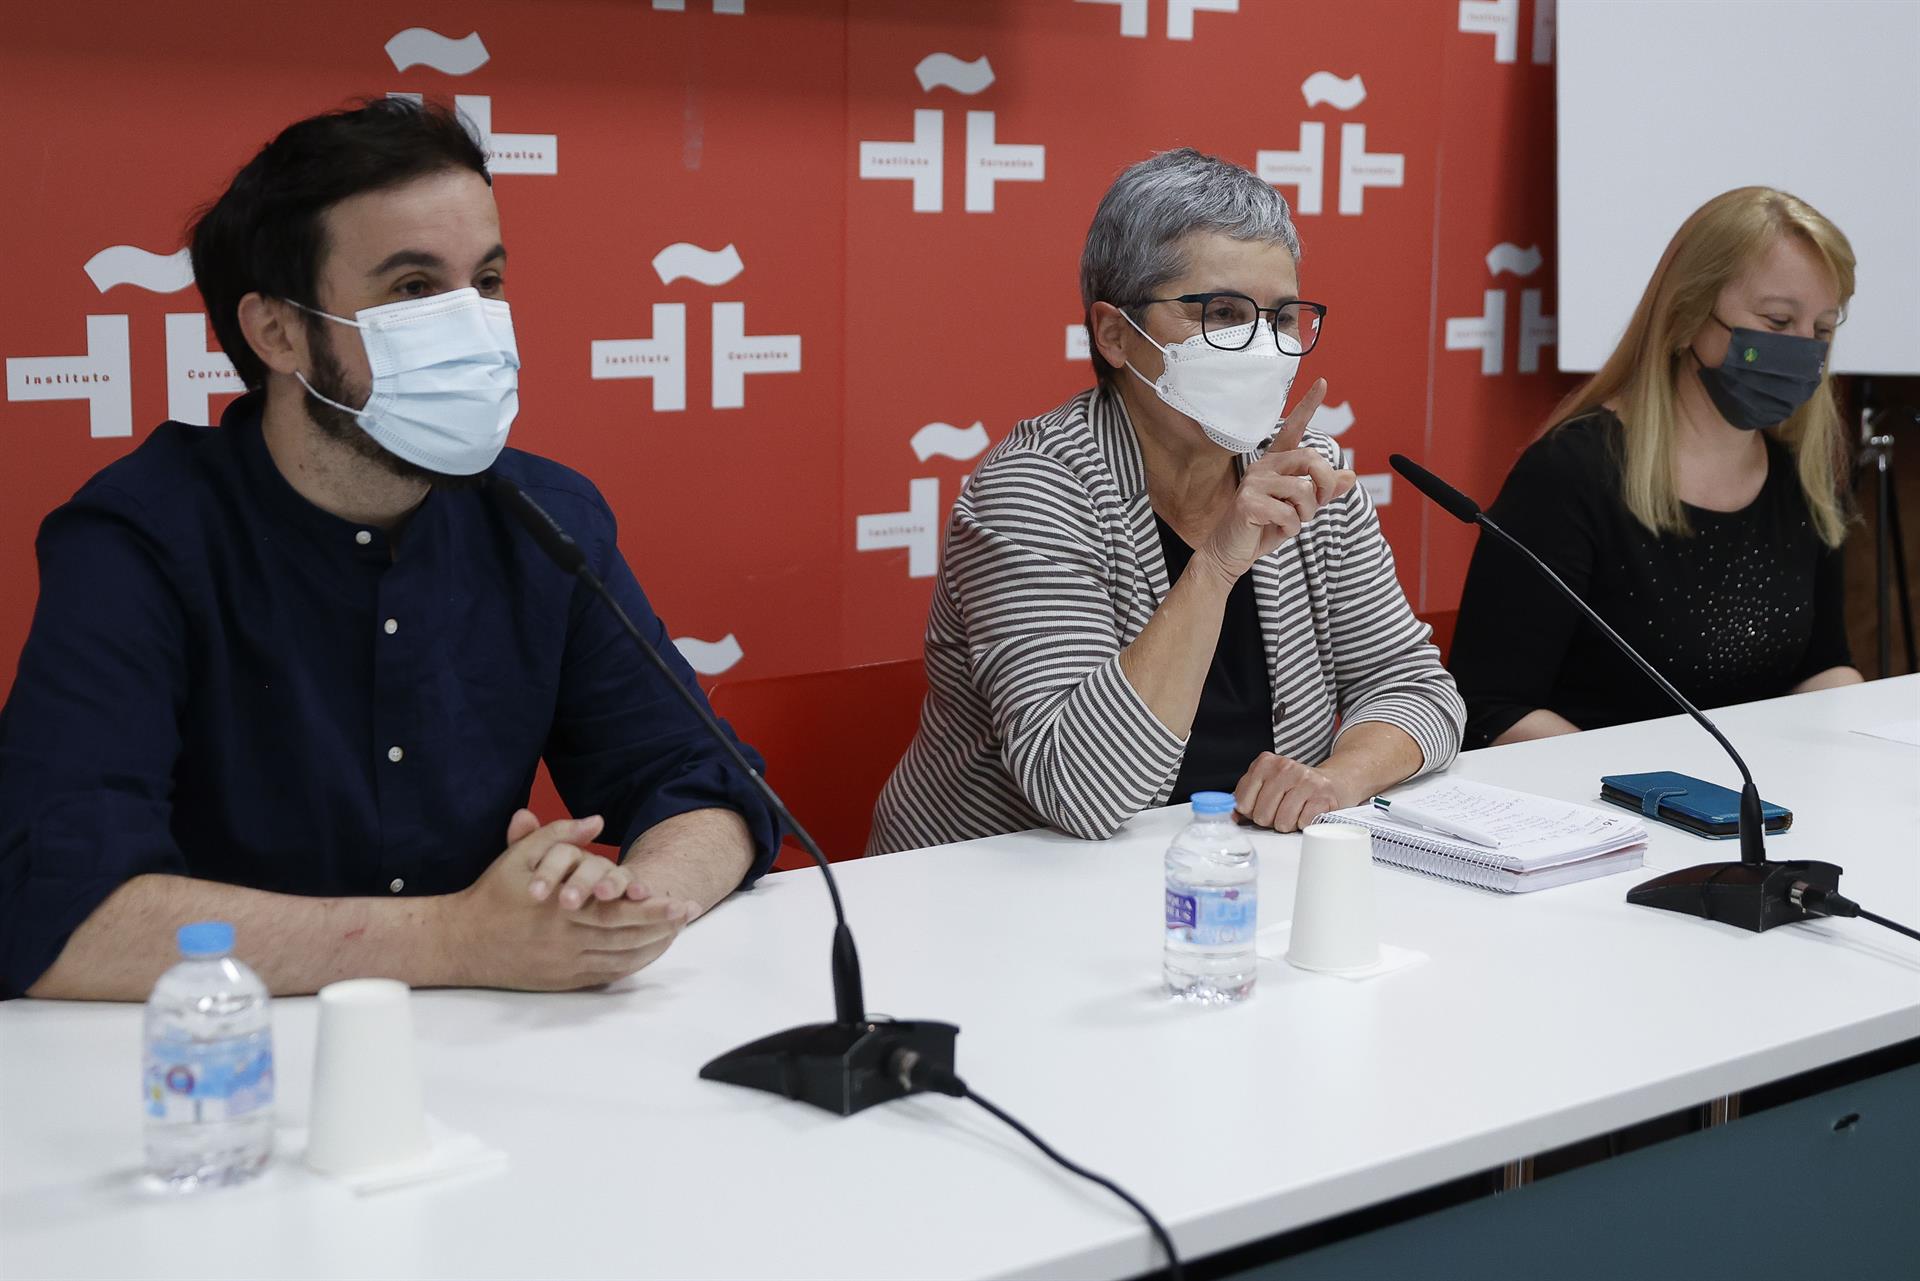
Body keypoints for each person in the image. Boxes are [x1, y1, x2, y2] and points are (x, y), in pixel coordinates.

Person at [0, 100, 780, 1000]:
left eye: (484, 283)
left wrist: (623, 905)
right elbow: (54, 910)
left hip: (488, 1055)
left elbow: (708, 785)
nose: (471, 323)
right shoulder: (140, 537)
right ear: (277, 331)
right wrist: (454, 940)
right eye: (414, 289)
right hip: (220, 1065)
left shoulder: (545, 514)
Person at [869, 149, 1464, 854]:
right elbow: (1080, 789)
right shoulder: (1033, 492)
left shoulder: (1307, 475)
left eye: (1280, 318)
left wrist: (1336, 778)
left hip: (1238, 871)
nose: (1261, 347)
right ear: (1115, 334)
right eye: (1220, 312)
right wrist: (1215, 564)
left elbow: (1420, 691)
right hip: (997, 899)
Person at [1449, 187, 1863, 749]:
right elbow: (1491, 706)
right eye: (1777, 320)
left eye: (1822, 330)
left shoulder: (1804, 478)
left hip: (1758, 812)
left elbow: (1823, 666)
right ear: (1689, 317)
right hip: (1602, 813)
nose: (1803, 353)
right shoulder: (1569, 475)